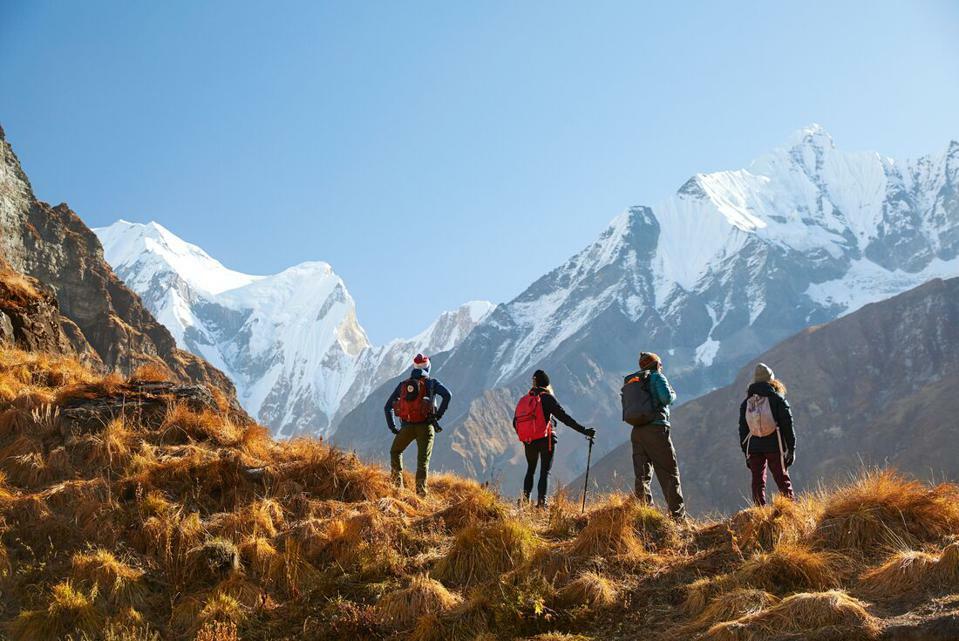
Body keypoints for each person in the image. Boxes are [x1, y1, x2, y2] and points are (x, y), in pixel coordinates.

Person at [513, 369, 595, 508]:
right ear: (547, 384)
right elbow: (564, 418)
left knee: (530, 470)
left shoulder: (525, 400)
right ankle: (541, 503)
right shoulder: (547, 398)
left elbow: (515, 422)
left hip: (529, 441)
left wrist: (528, 436)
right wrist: (584, 430)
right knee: (545, 471)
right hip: (546, 440)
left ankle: (525, 502)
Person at [624, 352, 687, 520]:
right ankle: (677, 517)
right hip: (656, 429)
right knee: (669, 472)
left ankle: (646, 515)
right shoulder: (657, 377)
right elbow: (666, 398)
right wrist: (673, 394)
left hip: (637, 431)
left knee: (642, 475)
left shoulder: (634, 382)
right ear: (656, 364)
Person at [384, 353, 451, 496]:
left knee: (395, 452)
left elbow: (387, 407)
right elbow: (447, 395)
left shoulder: (403, 385)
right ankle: (421, 494)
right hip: (426, 427)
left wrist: (393, 427)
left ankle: (397, 488)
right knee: (422, 462)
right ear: (428, 367)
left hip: (407, 427)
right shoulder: (431, 383)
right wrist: (438, 415)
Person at [739, 363, 796, 506]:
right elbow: (787, 425)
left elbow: (743, 431)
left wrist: (746, 453)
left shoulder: (747, 403)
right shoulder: (777, 399)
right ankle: (791, 509)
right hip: (774, 445)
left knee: (758, 481)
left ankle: (760, 512)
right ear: (771, 380)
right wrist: (791, 449)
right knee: (782, 479)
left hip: (754, 447)